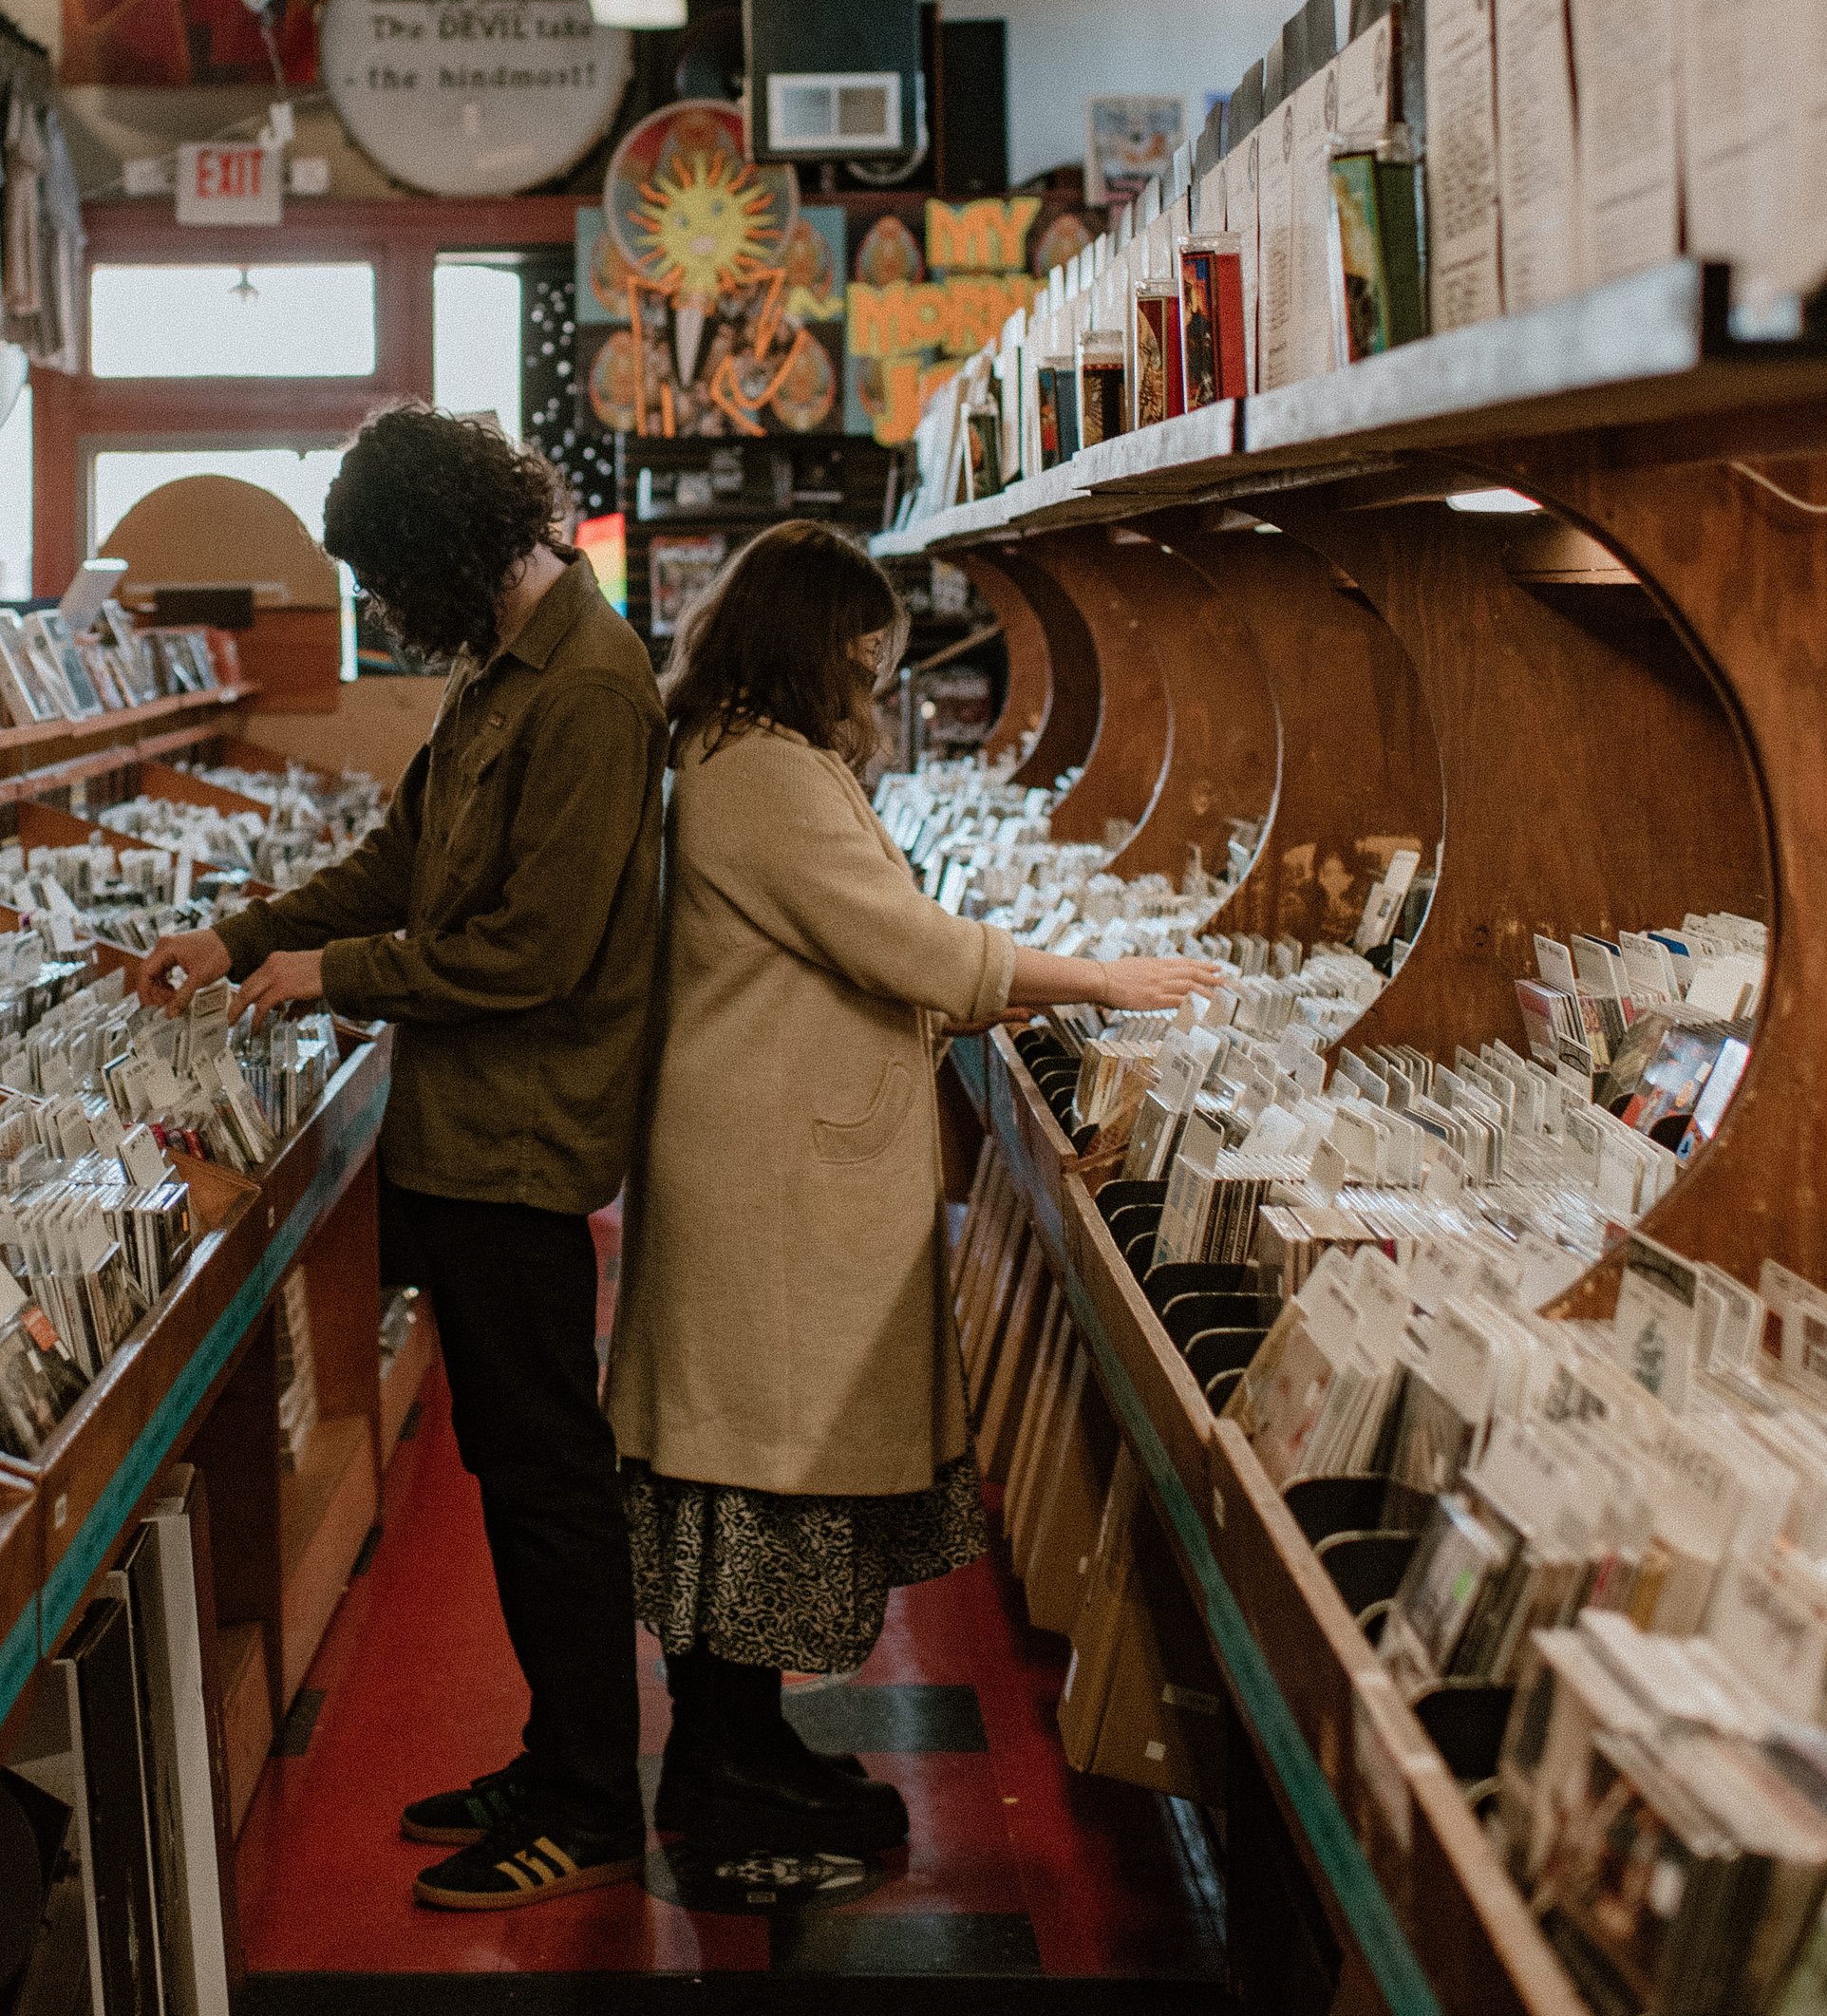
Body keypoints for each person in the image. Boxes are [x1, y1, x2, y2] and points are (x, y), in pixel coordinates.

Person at [604, 519, 1219, 1857]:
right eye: (864, 653)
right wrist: (1106, 979)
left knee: (752, 1477)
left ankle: (746, 1744)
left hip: (764, 1170)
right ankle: (719, 1773)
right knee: (757, 1472)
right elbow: (908, 942)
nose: (874, 679)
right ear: (819, 644)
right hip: (767, 1191)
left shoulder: (735, 753)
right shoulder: (761, 773)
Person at [139, 405, 667, 1911]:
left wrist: (336, 974)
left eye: (382, 578)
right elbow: (404, 856)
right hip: (462, 1131)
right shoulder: (503, 671)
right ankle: (552, 1750)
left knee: (550, 1470)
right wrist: (242, 933)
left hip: (523, 1139)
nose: (379, 613)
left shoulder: (593, 688)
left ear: (439, 545)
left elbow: (536, 951)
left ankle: (589, 1795)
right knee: (513, 1463)